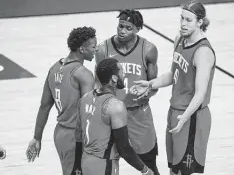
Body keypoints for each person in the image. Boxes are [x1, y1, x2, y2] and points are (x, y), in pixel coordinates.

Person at [131, 0, 216, 175]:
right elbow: (174, 74)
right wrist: (151, 83)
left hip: (192, 116)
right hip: (175, 111)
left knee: (184, 171)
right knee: (174, 169)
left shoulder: (203, 52)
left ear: (200, 22)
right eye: (182, 19)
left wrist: (184, 118)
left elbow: (200, 93)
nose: (183, 24)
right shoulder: (179, 40)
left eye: (188, 20)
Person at [94, 9, 160, 175]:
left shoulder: (148, 49)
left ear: (137, 29)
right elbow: (98, 84)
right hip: (111, 115)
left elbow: (154, 85)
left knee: (149, 163)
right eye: (120, 26)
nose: (122, 30)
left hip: (138, 114)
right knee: (106, 165)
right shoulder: (103, 49)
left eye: (128, 28)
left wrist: (148, 93)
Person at [26, 26, 98, 175]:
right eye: (93, 46)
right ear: (81, 49)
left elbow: (44, 106)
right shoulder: (84, 74)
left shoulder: (54, 68)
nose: (96, 50)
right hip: (77, 136)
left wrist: (37, 137)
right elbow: (88, 112)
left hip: (61, 134)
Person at [75, 58, 154, 175]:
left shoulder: (84, 99)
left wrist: (77, 166)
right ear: (114, 78)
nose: (124, 74)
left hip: (85, 162)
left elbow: (78, 136)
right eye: (121, 71)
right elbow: (124, 148)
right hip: (104, 165)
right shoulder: (115, 106)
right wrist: (145, 170)